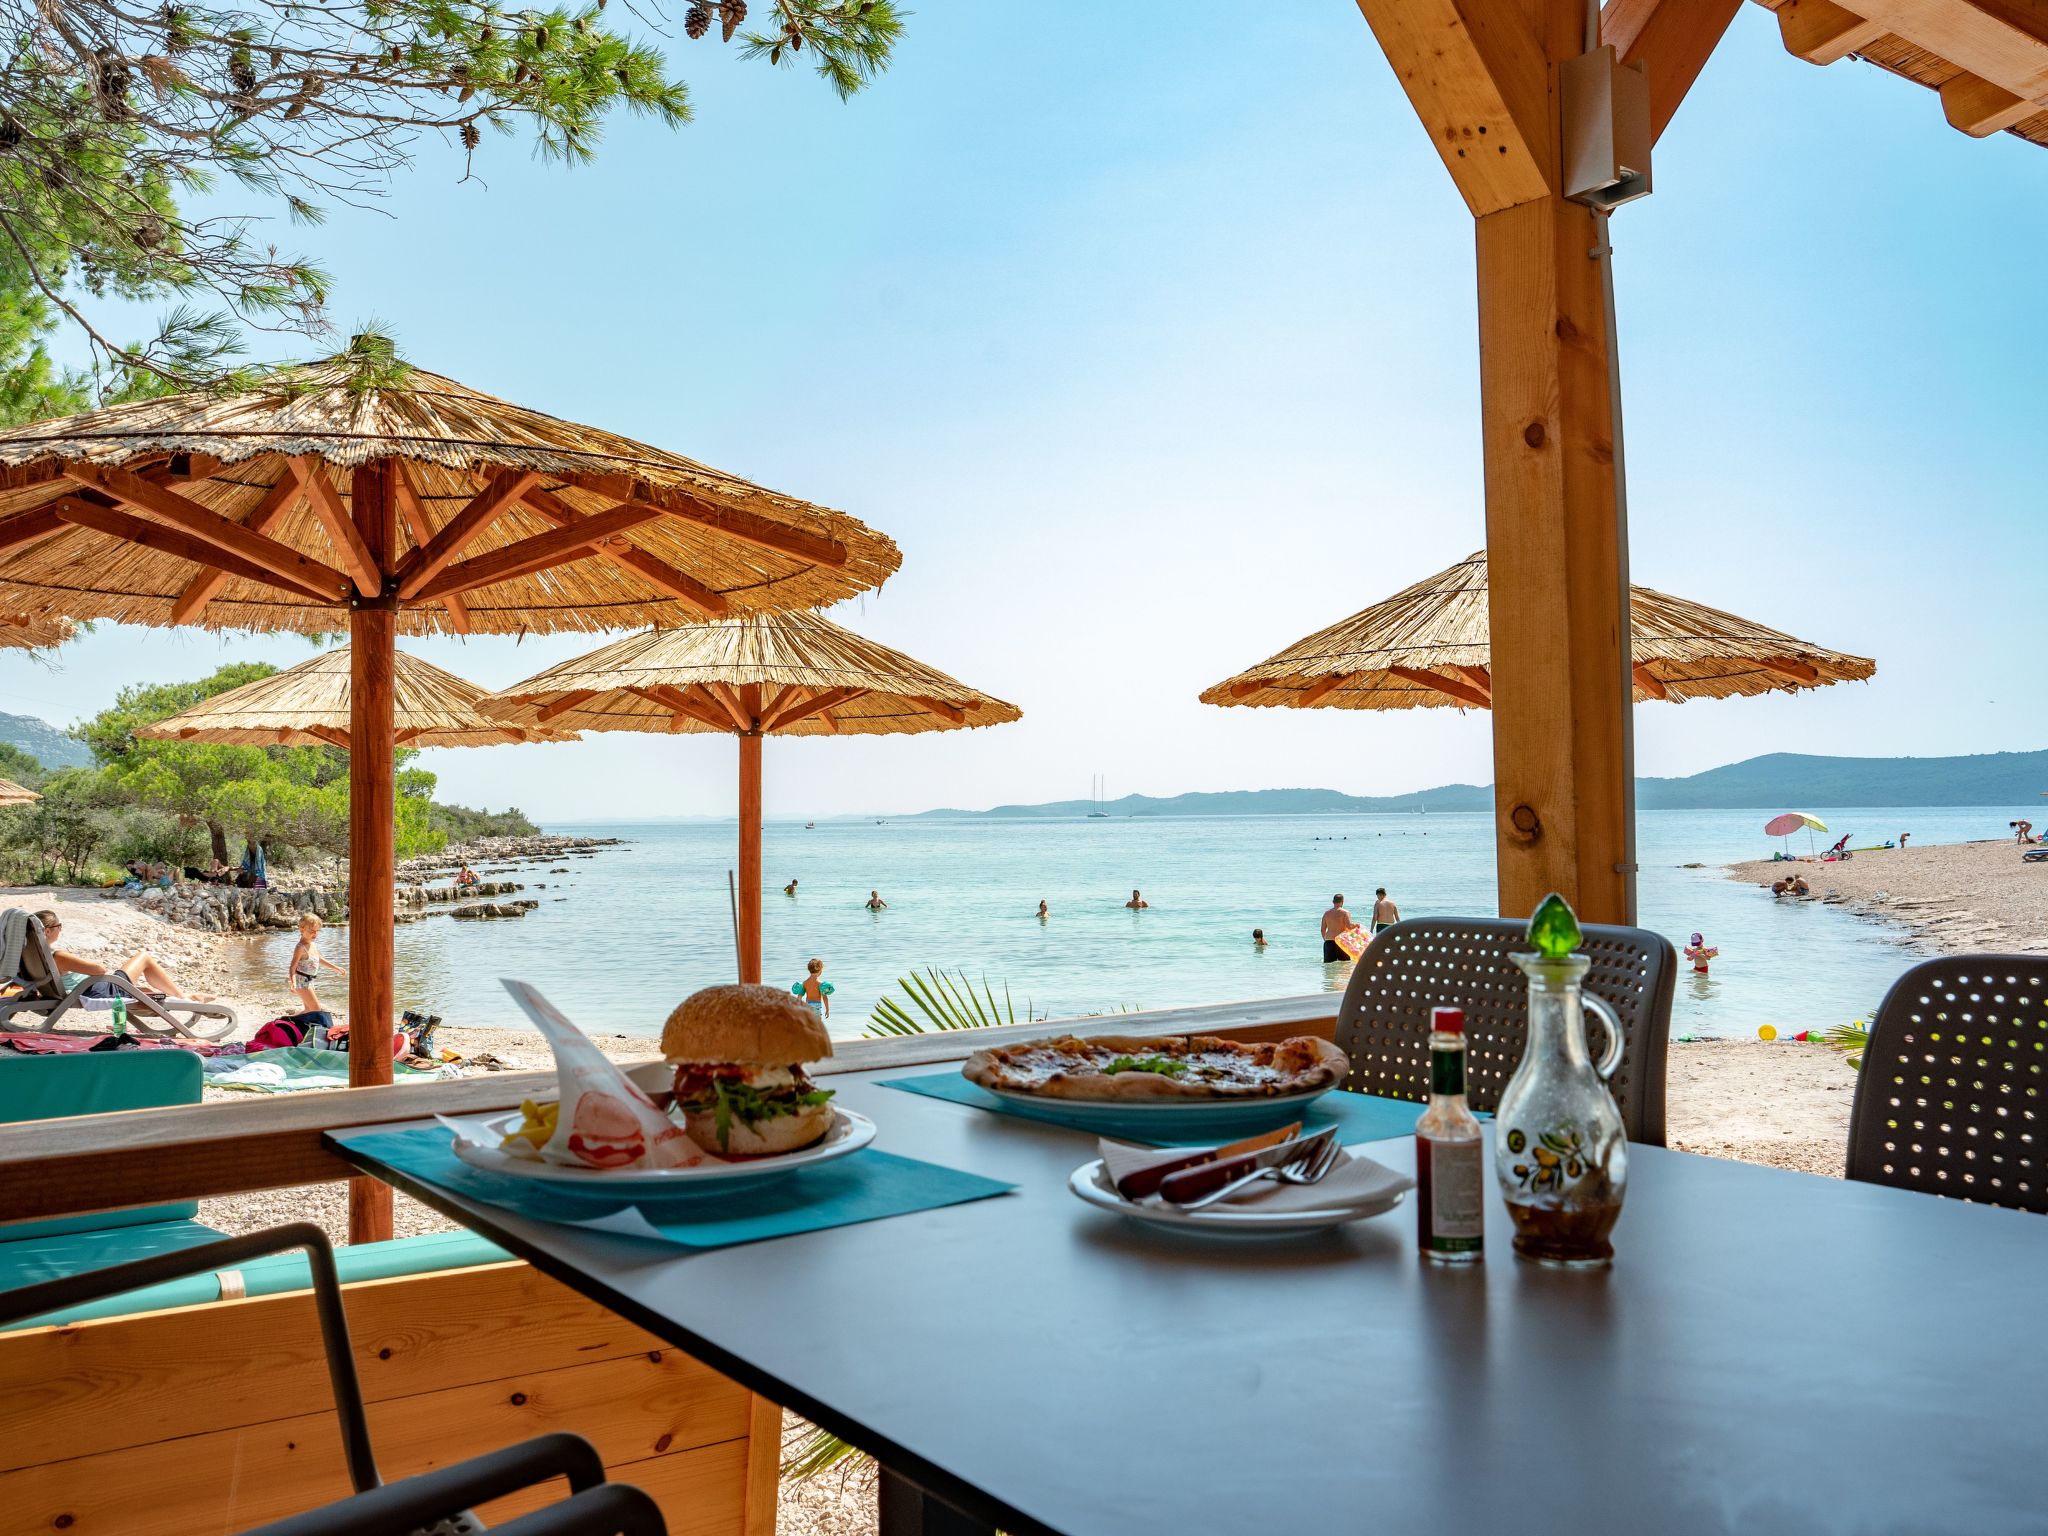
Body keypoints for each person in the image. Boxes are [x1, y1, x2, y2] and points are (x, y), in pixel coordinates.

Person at [34, 910, 214, 1002]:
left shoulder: (33, 955)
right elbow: (99, 970)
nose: (61, 929)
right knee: (144, 957)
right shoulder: (57, 956)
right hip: (94, 990)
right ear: (48, 931)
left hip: (87, 989)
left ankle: (190, 998)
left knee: (146, 992)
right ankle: (183, 998)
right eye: (59, 926)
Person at [288, 913, 344, 1012]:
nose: (315, 934)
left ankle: (288, 1022)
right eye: (312, 931)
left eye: (317, 931)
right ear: (302, 929)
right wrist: (293, 983)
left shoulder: (312, 944)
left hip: (309, 981)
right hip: (301, 981)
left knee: (308, 1010)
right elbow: (292, 967)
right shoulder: (300, 947)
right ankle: (286, 1022)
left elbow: (319, 959)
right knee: (316, 1009)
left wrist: (336, 968)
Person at [1320, 894, 1353, 962]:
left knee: (1328, 967)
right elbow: (1349, 927)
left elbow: (1323, 930)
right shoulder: (1345, 913)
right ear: (1342, 902)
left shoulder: (1326, 913)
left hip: (1329, 941)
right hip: (1341, 941)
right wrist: (1356, 925)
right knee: (1344, 965)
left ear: (1333, 902)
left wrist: (1326, 940)